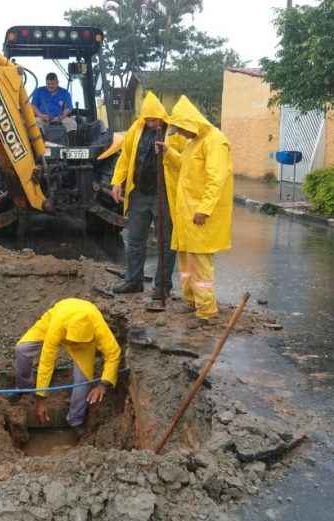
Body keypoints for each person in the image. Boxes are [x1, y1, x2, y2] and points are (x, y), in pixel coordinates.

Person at [159, 95, 233, 323]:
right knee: (186, 263)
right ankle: (191, 301)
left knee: (200, 265)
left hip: (200, 214)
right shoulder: (194, 143)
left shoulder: (215, 141)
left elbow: (216, 179)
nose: (180, 135)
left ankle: (207, 309)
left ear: (191, 123)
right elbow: (185, 166)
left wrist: (205, 209)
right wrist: (169, 152)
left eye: (182, 130)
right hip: (187, 215)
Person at [15, 298, 121, 430]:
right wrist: (40, 398)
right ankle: (25, 388)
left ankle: (75, 420)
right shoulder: (57, 325)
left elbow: (114, 352)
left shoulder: (97, 324)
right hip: (57, 317)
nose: (72, 347)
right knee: (22, 349)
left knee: (82, 381)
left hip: (86, 345)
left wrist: (103, 384)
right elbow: (47, 363)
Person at [110, 92, 176, 298]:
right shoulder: (136, 129)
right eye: (147, 119)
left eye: (154, 119)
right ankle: (133, 280)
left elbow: (185, 162)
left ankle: (162, 286)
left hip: (164, 193)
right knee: (135, 238)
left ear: (162, 117)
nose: (151, 123)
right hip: (139, 192)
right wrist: (117, 182)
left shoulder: (173, 132)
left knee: (166, 241)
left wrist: (168, 153)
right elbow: (125, 157)